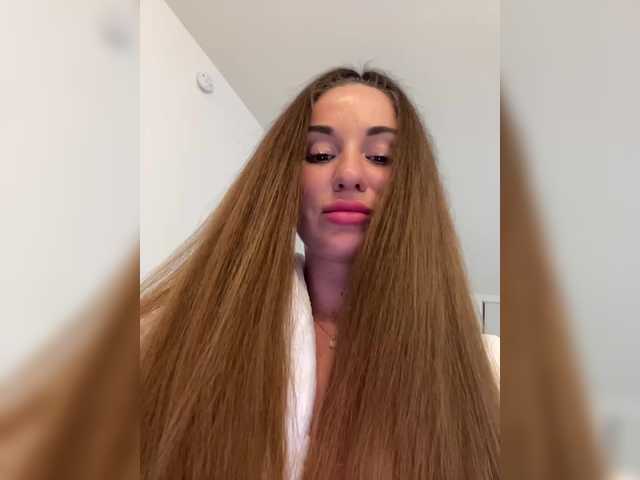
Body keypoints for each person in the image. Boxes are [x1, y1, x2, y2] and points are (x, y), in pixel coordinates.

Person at [140, 66, 500, 480]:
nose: (348, 175)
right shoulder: (175, 336)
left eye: (380, 157)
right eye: (321, 154)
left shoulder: (489, 375)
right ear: (284, 182)